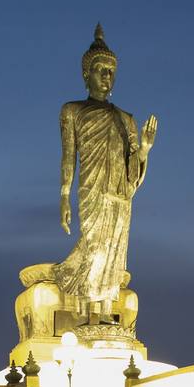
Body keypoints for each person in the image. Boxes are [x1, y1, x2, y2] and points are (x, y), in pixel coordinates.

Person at [53, 24, 157, 325]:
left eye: (111, 71)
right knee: (94, 247)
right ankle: (87, 314)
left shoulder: (127, 120)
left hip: (119, 194)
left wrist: (145, 150)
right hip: (92, 189)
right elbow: (67, 157)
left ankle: (105, 311)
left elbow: (132, 170)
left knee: (115, 250)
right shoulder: (72, 111)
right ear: (87, 74)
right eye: (101, 70)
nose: (107, 77)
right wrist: (63, 197)